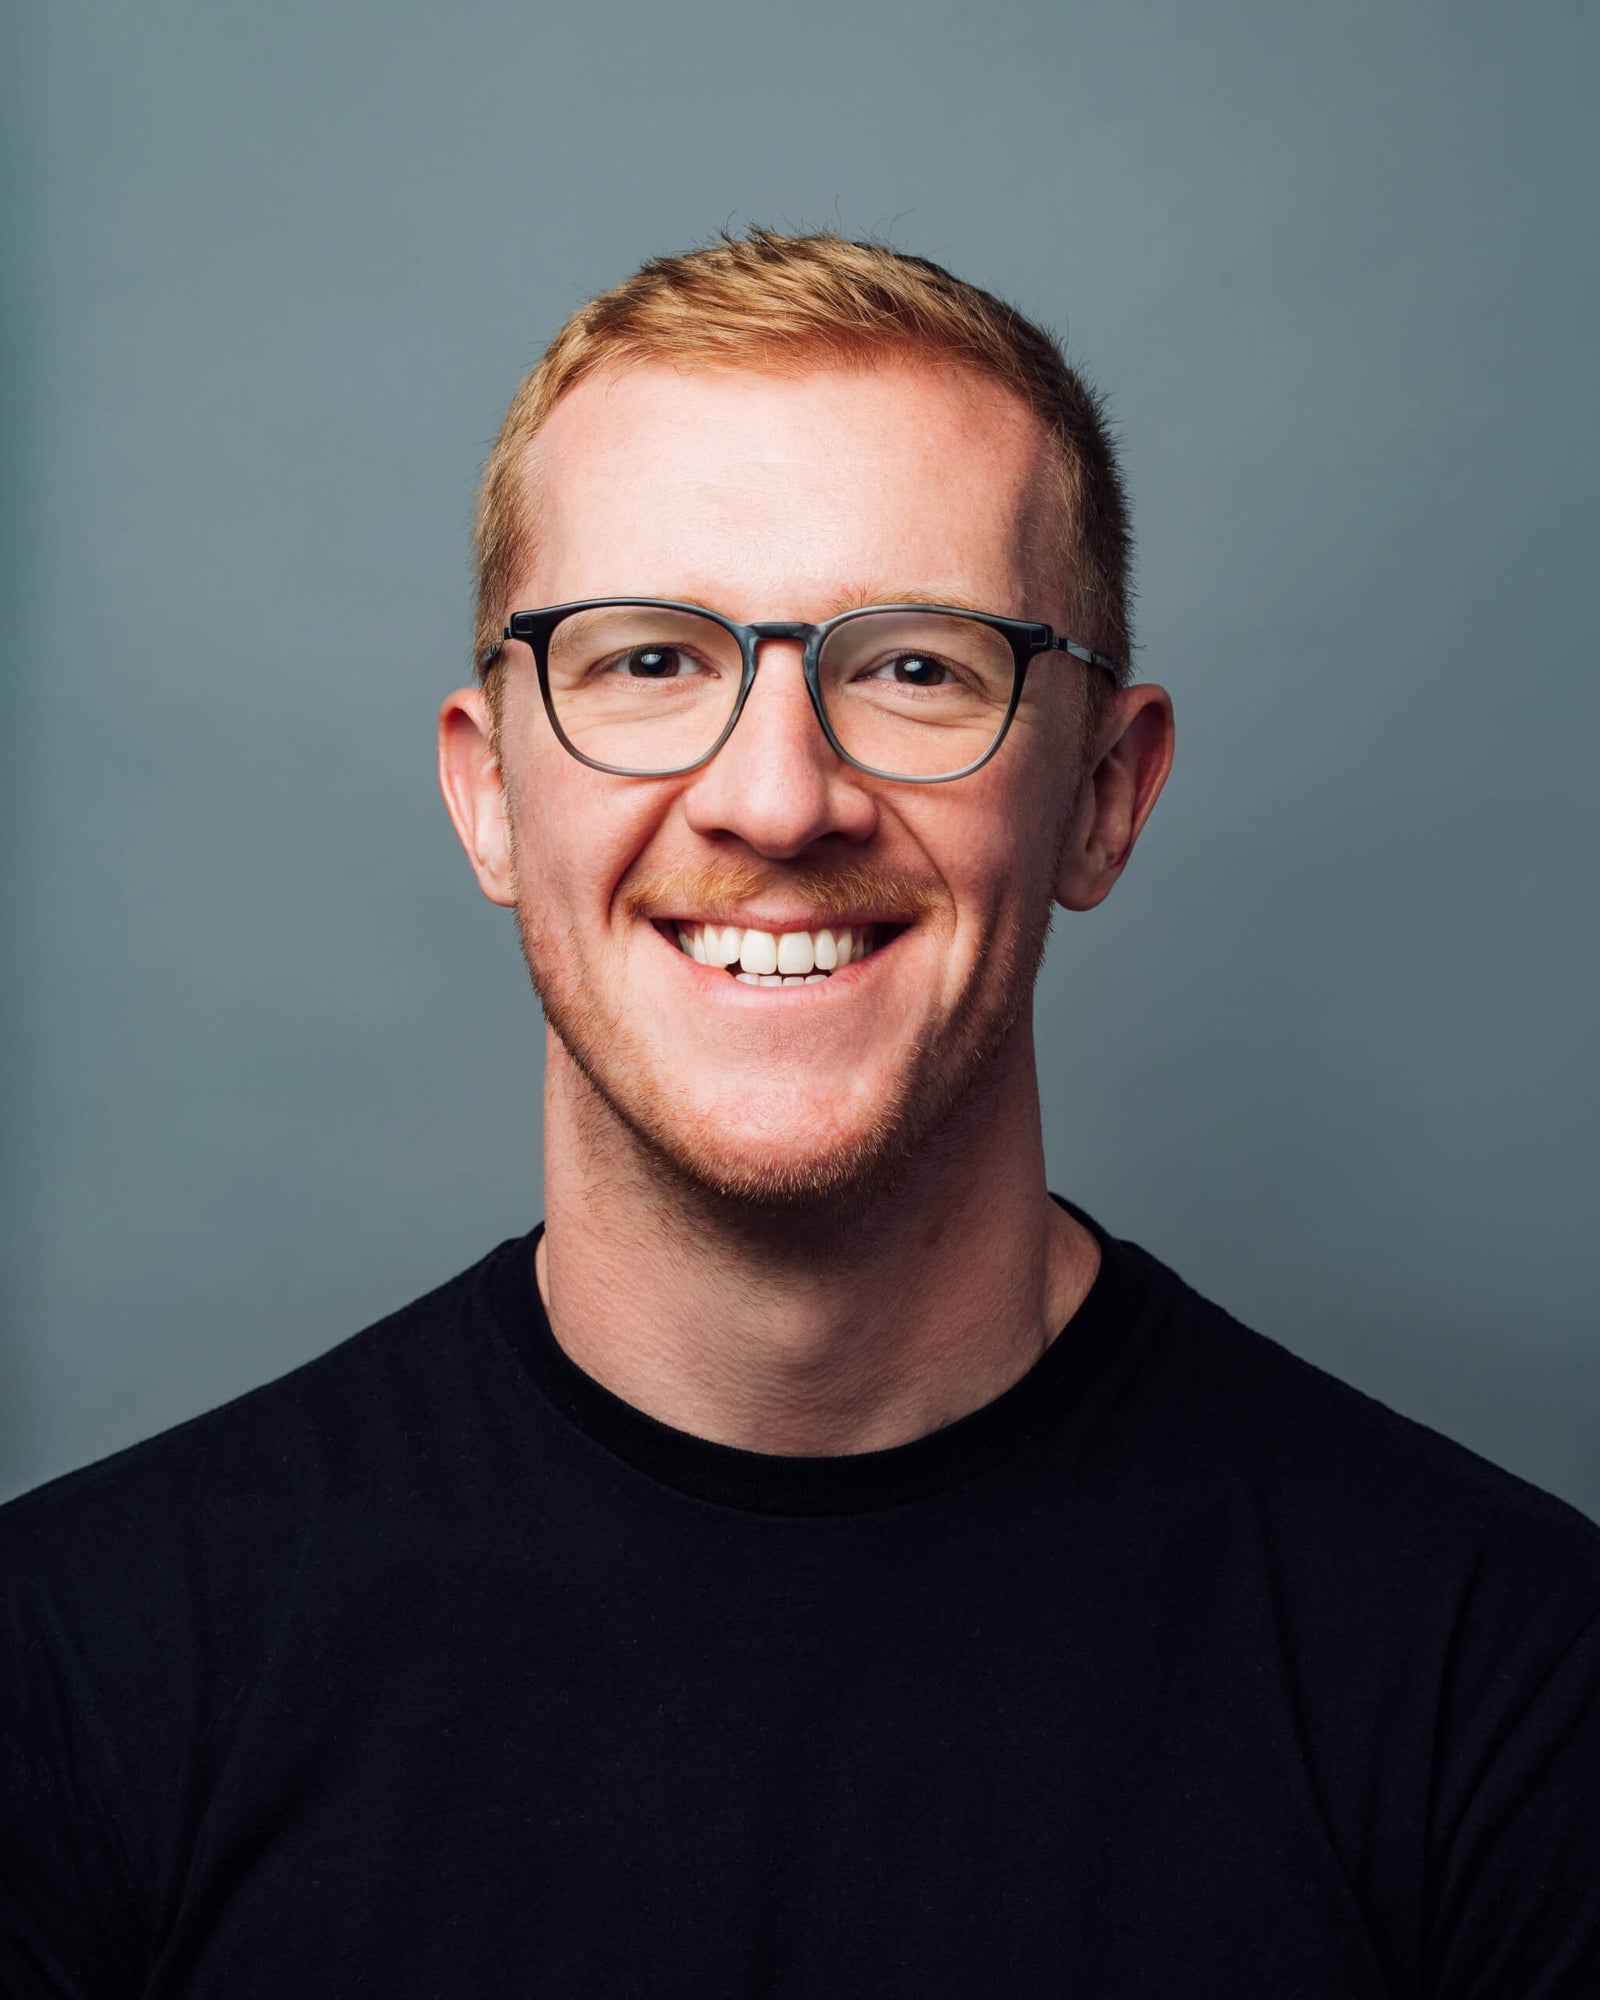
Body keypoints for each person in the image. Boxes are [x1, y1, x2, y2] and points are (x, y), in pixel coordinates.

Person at [2, 230, 1597, 1999]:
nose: (777, 797)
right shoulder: (73, 1672)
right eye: (648, 662)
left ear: (1105, 796)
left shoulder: (1515, 1690)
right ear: (489, 798)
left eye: (918, 666)